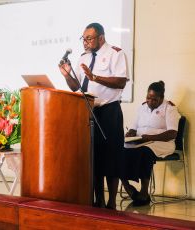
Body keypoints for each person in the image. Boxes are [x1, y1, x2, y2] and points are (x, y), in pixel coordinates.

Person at [59, 22, 128, 209]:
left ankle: (112, 203)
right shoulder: (84, 57)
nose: (85, 42)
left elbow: (121, 82)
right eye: (83, 39)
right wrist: (67, 75)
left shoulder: (116, 53)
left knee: (112, 157)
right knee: (94, 158)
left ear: (101, 38)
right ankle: (99, 201)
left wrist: (95, 77)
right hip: (89, 112)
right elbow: (77, 88)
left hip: (110, 112)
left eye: (89, 38)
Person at [120, 81, 181, 206]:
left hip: (162, 143)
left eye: (154, 99)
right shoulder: (142, 107)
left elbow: (172, 134)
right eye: (148, 98)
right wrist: (131, 133)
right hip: (141, 141)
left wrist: (150, 138)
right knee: (120, 150)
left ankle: (143, 193)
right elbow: (133, 127)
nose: (150, 101)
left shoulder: (170, 108)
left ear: (161, 98)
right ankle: (127, 186)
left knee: (145, 152)